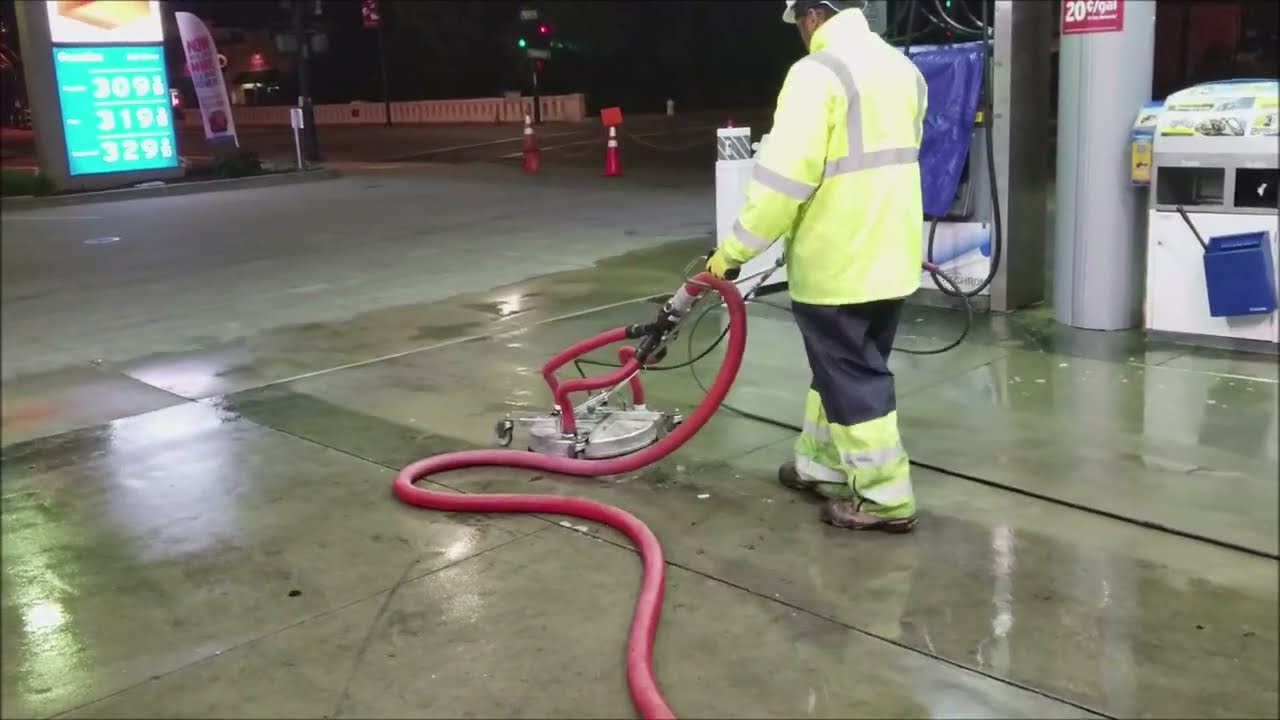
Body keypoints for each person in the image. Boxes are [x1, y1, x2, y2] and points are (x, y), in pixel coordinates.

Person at [705, 0, 927, 532]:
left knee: (852, 376)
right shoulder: (904, 70)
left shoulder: (817, 74)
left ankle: (884, 498)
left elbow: (783, 182)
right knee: (842, 370)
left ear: (810, 15)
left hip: (839, 261)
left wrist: (732, 253)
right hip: (892, 255)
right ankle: (823, 465)